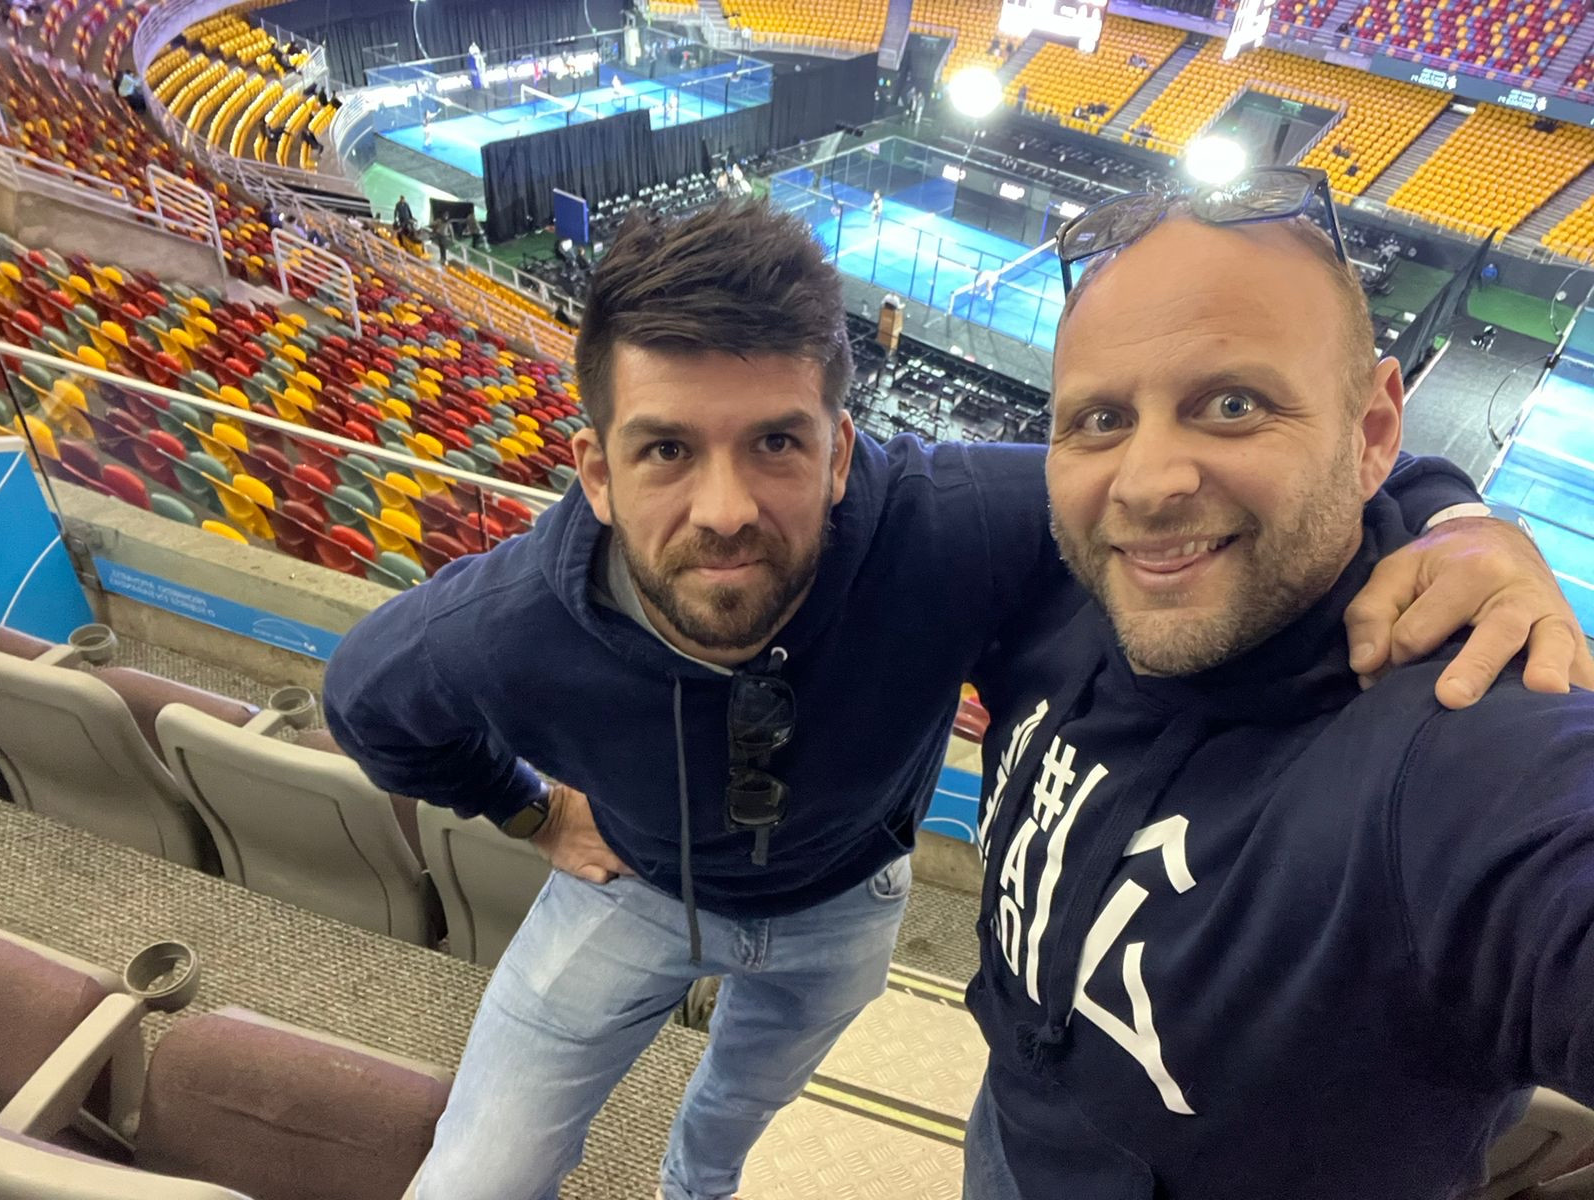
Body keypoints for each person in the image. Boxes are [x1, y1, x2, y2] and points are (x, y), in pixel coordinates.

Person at [321, 201, 1586, 1200]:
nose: (724, 507)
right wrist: (533, 814)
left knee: (727, 1133)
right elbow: (368, 701)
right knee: (480, 1174)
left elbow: (1275, 477)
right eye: (665, 449)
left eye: (776, 442)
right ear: (594, 472)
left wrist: (1454, 521)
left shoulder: (962, 523)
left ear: (841, 449)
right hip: (631, 896)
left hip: (842, 912)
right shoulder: (501, 619)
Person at [963, 193, 1594, 1199]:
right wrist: (1458, 510)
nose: (1147, 483)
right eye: (1101, 419)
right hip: (1007, 1128)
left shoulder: (1455, 747)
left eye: (1232, 405)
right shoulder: (1057, 572)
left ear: (1372, 432)